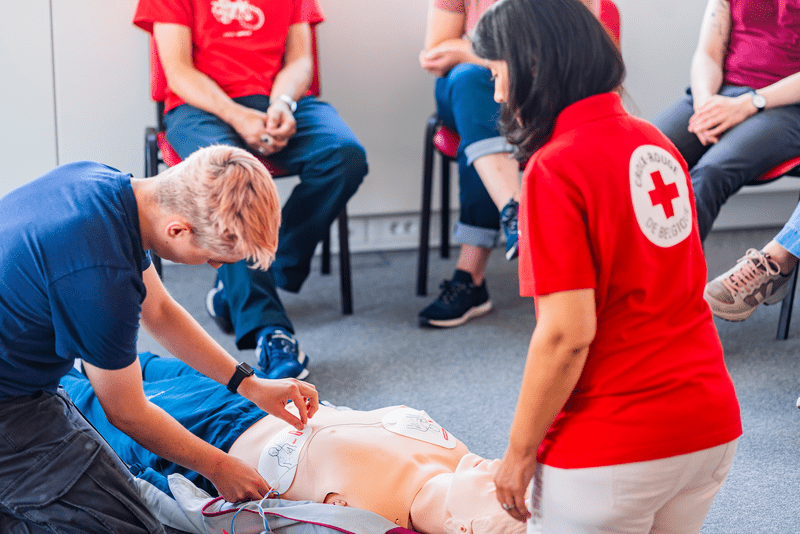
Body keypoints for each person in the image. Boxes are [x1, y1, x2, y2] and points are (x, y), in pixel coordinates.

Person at [471, 0, 742, 532]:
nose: (498, 93)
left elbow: (566, 336)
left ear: (531, 65)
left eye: (497, 74)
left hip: (615, 445)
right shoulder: (656, 142)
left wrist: (518, 453)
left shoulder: (555, 168)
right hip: (709, 426)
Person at [0, 145, 319, 533]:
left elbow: (161, 312)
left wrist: (250, 385)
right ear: (178, 229)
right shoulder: (102, 277)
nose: (216, 266)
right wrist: (218, 466)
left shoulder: (104, 184)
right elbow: (126, 412)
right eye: (214, 257)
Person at [133, 0, 368, 378]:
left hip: (281, 102)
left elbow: (300, 61)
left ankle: (251, 274)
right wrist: (237, 116)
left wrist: (282, 104)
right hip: (200, 110)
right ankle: (269, 330)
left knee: (344, 156)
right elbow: (177, 72)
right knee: (229, 179)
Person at [62, 352, 526, 534]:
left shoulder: (370, 520)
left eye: (503, 501)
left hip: (206, 440)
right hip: (257, 403)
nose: (498, 473)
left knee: (72, 390)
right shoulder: (461, 457)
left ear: (467, 529)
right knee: (141, 360)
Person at [416, 0, 599, 329]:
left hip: (543, 89)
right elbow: (435, 52)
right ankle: (518, 214)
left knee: (480, 141)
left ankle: (471, 275)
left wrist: (479, 53)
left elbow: (581, 51)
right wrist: (505, 61)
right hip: (470, 89)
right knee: (472, 84)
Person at [651, 0, 800, 242]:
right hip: (720, 95)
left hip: (785, 105)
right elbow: (708, 53)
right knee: (642, 155)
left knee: (711, 172)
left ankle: (673, 277)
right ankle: (610, 271)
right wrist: (704, 105)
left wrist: (751, 103)